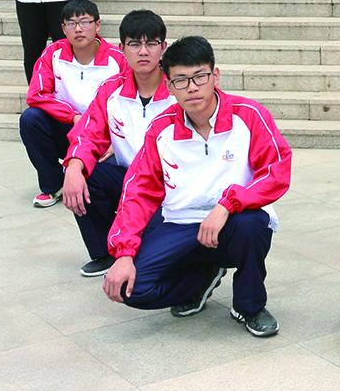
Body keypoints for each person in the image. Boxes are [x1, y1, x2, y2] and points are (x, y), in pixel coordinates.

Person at [103, 36, 293, 338]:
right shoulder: (161, 128)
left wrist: (227, 205)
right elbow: (138, 191)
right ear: (169, 86)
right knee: (132, 289)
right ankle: (202, 276)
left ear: (215, 76)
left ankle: (249, 306)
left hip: (234, 220)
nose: (192, 87)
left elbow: (276, 171)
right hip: (180, 223)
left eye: (200, 76)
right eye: (181, 80)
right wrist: (124, 253)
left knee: (252, 225)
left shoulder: (248, 115)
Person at [62, 9, 176, 276]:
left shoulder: (177, 88)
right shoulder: (111, 89)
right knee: (85, 173)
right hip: (129, 180)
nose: (143, 52)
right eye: (134, 44)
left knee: (150, 264)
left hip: (171, 187)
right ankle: (105, 253)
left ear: (163, 48)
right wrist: (73, 167)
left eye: (151, 43)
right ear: (122, 48)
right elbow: (87, 133)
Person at [19, 0, 126, 208]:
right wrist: (73, 116)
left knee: (103, 181)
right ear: (63, 29)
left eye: (85, 22)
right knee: (30, 119)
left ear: (97, 25)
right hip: (67, 128)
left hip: (104, 135)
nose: (78, 29)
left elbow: (130, 104)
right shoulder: (53, 54)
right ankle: (53, 185)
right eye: (71, 24)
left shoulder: (117, 59)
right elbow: (36, 94)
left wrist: (118, 140)